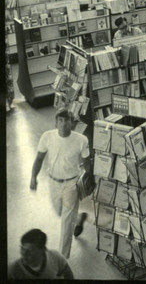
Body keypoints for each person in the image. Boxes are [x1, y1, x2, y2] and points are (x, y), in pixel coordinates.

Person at [30, 109, 90, 259]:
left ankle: (62, 260)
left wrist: (90, 179)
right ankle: (79, 219)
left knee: (65, 224)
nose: (63, 124)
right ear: (56, 123)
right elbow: (39, 159)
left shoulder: (81, 140)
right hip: (53, 181)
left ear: (72, 122)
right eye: (60, 121)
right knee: (59, 212)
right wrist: (33, 177)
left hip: (72, 183)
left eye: (67, 120)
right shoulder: (47, 137)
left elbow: (87, 163)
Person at [8, 229, 74, 280]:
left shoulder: (55, 256)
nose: (24, 254)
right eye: (22, 248)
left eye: (30, 250)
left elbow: (69, 275)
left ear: (43, 250)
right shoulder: (13, 270)